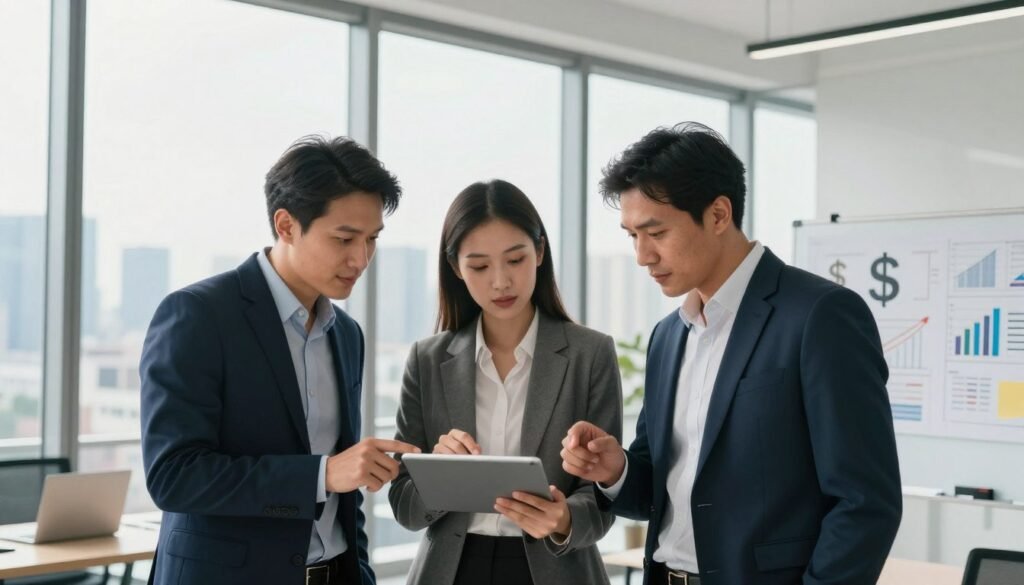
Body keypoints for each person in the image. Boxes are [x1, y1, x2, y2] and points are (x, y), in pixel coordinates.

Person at [560, 122, 902, 585]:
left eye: (655, 232)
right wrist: (615, 469)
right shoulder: (668, 337)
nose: (642, 255)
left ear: (719, 214)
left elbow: (866, 502)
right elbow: (658, 492)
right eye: (631, 236)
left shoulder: (820, 317)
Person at [140, 135, 420, 585]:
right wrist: (323, 474)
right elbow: (174, 477)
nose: (361, 258)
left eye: (371, 240)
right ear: (286, 225)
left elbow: (345, 495)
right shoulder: (199, 314)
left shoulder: (346, 335)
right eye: (345, 238)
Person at [388, 179, 622, 585]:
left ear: (540, 252)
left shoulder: (591, 354)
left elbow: (602, 500)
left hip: (555, 569)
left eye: (515, 260)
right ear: (456, 268)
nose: (500, 281)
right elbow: (404, 505)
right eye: (479, 266)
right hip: (452, 571)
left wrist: (564, 518)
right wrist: (441, 478)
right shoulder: (426, 360)